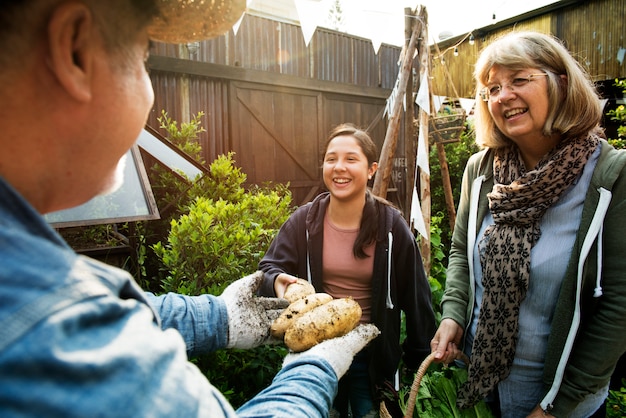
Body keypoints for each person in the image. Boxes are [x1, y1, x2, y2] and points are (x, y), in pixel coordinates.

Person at [0, 1, 380, 417]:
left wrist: (217, 317)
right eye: (144, 56)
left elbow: (94, 304)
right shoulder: (43, 322)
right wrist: (315, 367)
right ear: (75, 51)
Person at [430, 31, 626, 418]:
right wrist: (453, 313)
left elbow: (619, 305)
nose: (503, 96)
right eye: (492, 88)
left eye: (519, 80)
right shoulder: (481, 171)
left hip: (564, 402)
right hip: (482, 390)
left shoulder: (610, 177)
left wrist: (556, 407)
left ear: (561, 83)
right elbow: (459, 252)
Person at [258, 123, 437, 417]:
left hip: (373, 358)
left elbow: (416, 297)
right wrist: (279, 282)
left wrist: (420, 359)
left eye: (351, 159)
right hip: (318, 352)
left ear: (371, 169)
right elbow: (267, 269)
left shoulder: (391, 227)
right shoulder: (305, 221)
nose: (339, 167)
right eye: (331, 159)